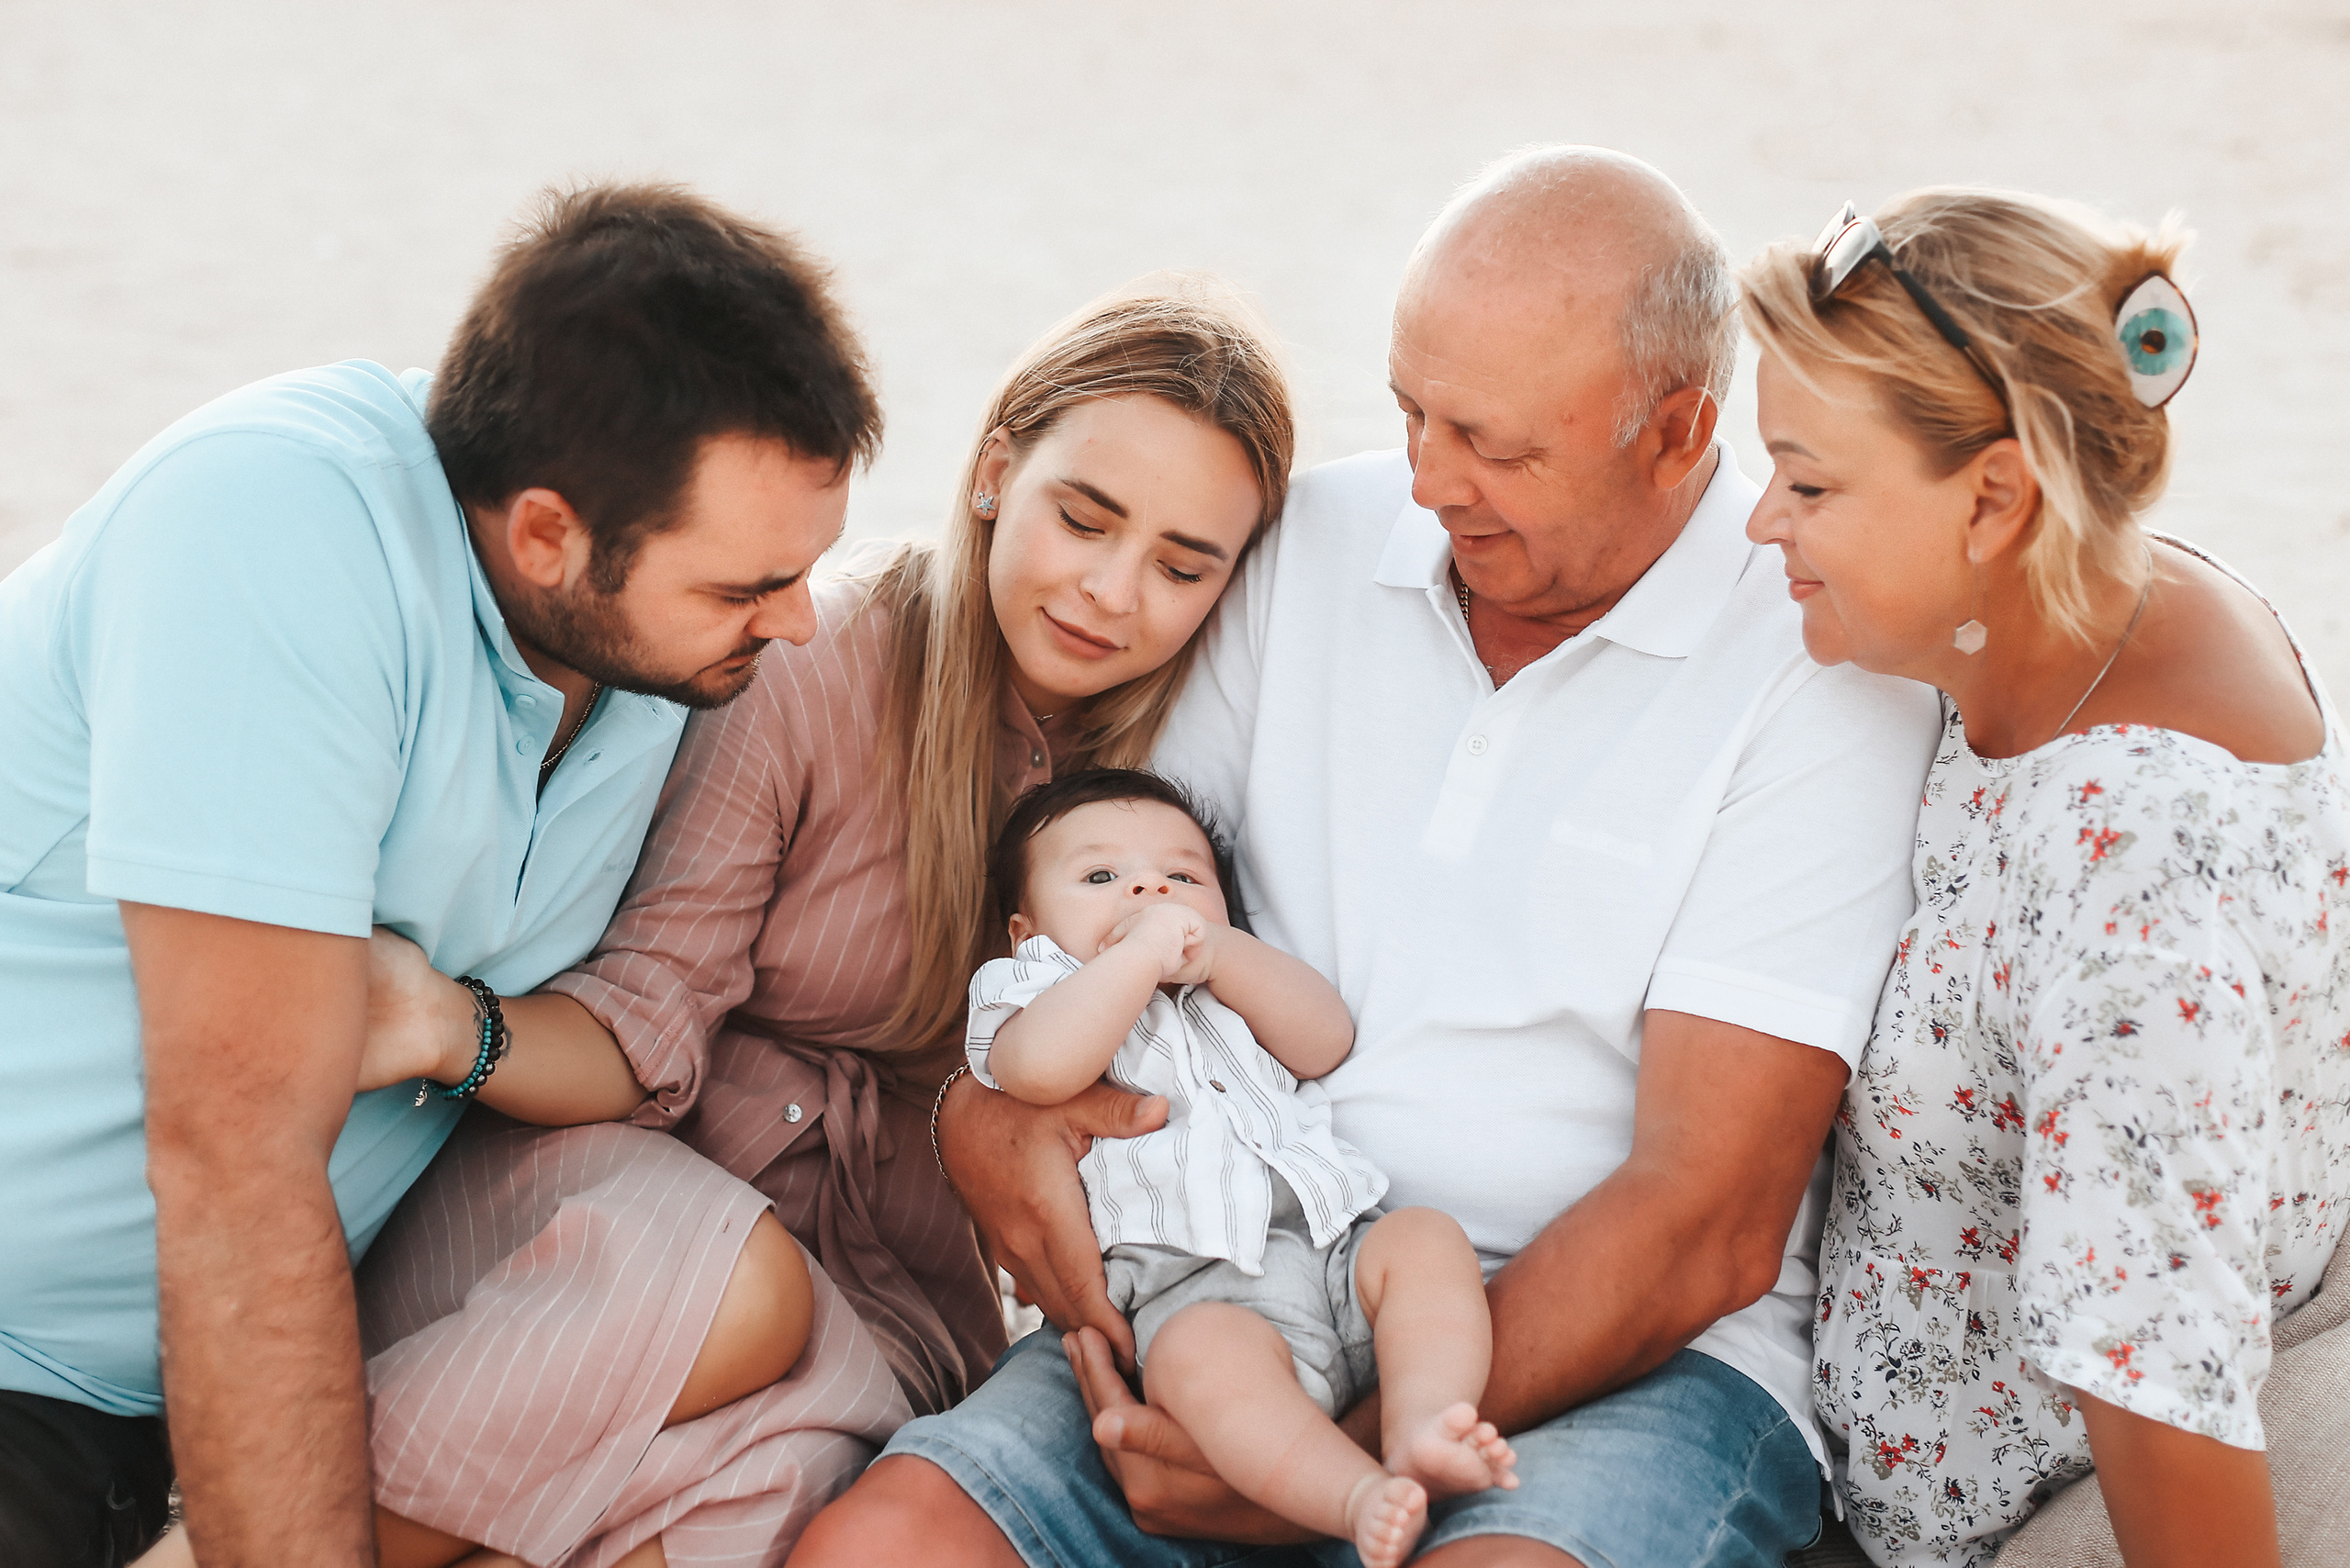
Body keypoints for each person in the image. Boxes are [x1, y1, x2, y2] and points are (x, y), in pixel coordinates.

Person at [795, 145, 1942, 1568]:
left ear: (1679, 430)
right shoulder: (1324, 540)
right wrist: (989, 1125)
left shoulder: (1817, 660)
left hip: (1623, 1374)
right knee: (884, 1549)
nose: (1429, 479)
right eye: (1412, 411)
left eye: (1499, 447)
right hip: (1231, 1273)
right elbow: (1101, 896)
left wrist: (1315, 1461)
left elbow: (1704, 1222)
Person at [334, 280, 1298, 1567]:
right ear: (996, 469)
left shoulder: (1172, 783)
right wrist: (453, 1027)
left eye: (1183, 566)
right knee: (729, 1298)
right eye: (1084, 519)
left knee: (777, 1491)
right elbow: (640, 1033)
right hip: (605, 1216)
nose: (1112, 593)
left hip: (879, 1284)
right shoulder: (813, 665)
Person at [0, 182, 882, 1568]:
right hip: (31, 1359)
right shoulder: (272, 532)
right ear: (547, 536)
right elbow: (233, 1160)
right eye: (742, 589)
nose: (799, 621)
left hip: (334, 1317)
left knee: (758, 1343)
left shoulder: (655, 653)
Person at [1740, 189, 2350, 1567]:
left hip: (2037, 1527)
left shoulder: (2130, 881)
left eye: (1811, 483)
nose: (1761, 521)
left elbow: (2174, 1434)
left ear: (1997, 495)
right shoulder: (2105, 596)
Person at [969, 768, 1517, 1567]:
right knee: (1201, 1365)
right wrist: (1139, 954)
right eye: (1101, 877)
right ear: (1027, 932)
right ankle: (1356, 1497)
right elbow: (1042, 1070)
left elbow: (1324, 1038)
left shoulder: (1229, 981)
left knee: (1428, 1240)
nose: (1149, 887)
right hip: (1196, 1287)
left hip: (1337, 1245)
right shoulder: (1033, 987)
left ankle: (1427, 1422)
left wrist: (1221, 954)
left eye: (1182, 877)